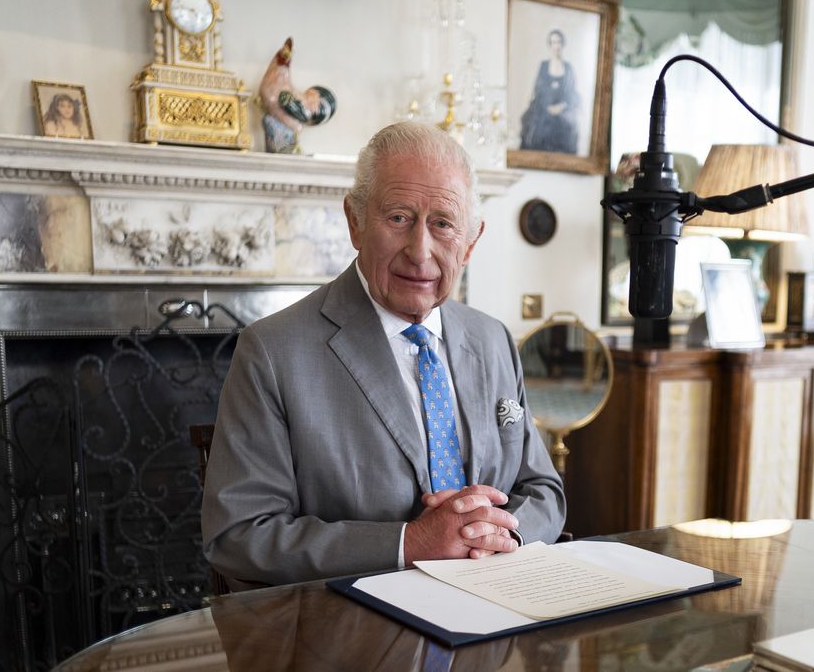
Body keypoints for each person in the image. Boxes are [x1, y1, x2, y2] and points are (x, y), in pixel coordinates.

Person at [201, 121, 566, 587]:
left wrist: (500, 537)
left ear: (471, 241)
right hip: (351, 633)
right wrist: (409, 544)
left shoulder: (493, 340)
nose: (420, 250)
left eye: (443, 224)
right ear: (355, 221)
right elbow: (238, 536)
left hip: (493, 612)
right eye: (398, 218)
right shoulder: (272, 352)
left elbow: (544, 492)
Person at [519, 29, 580, 154]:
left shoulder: (568, 68)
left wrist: (561, 106)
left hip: (562, 112)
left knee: (567, 129)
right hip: (543, 109)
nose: (556, 46)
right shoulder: (544, 65)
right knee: (535, 128)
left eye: (558, 42)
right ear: (549, 45)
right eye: (553, 42)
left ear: (562, 44)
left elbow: (572, 93)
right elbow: (537, 90)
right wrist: (547, 107)